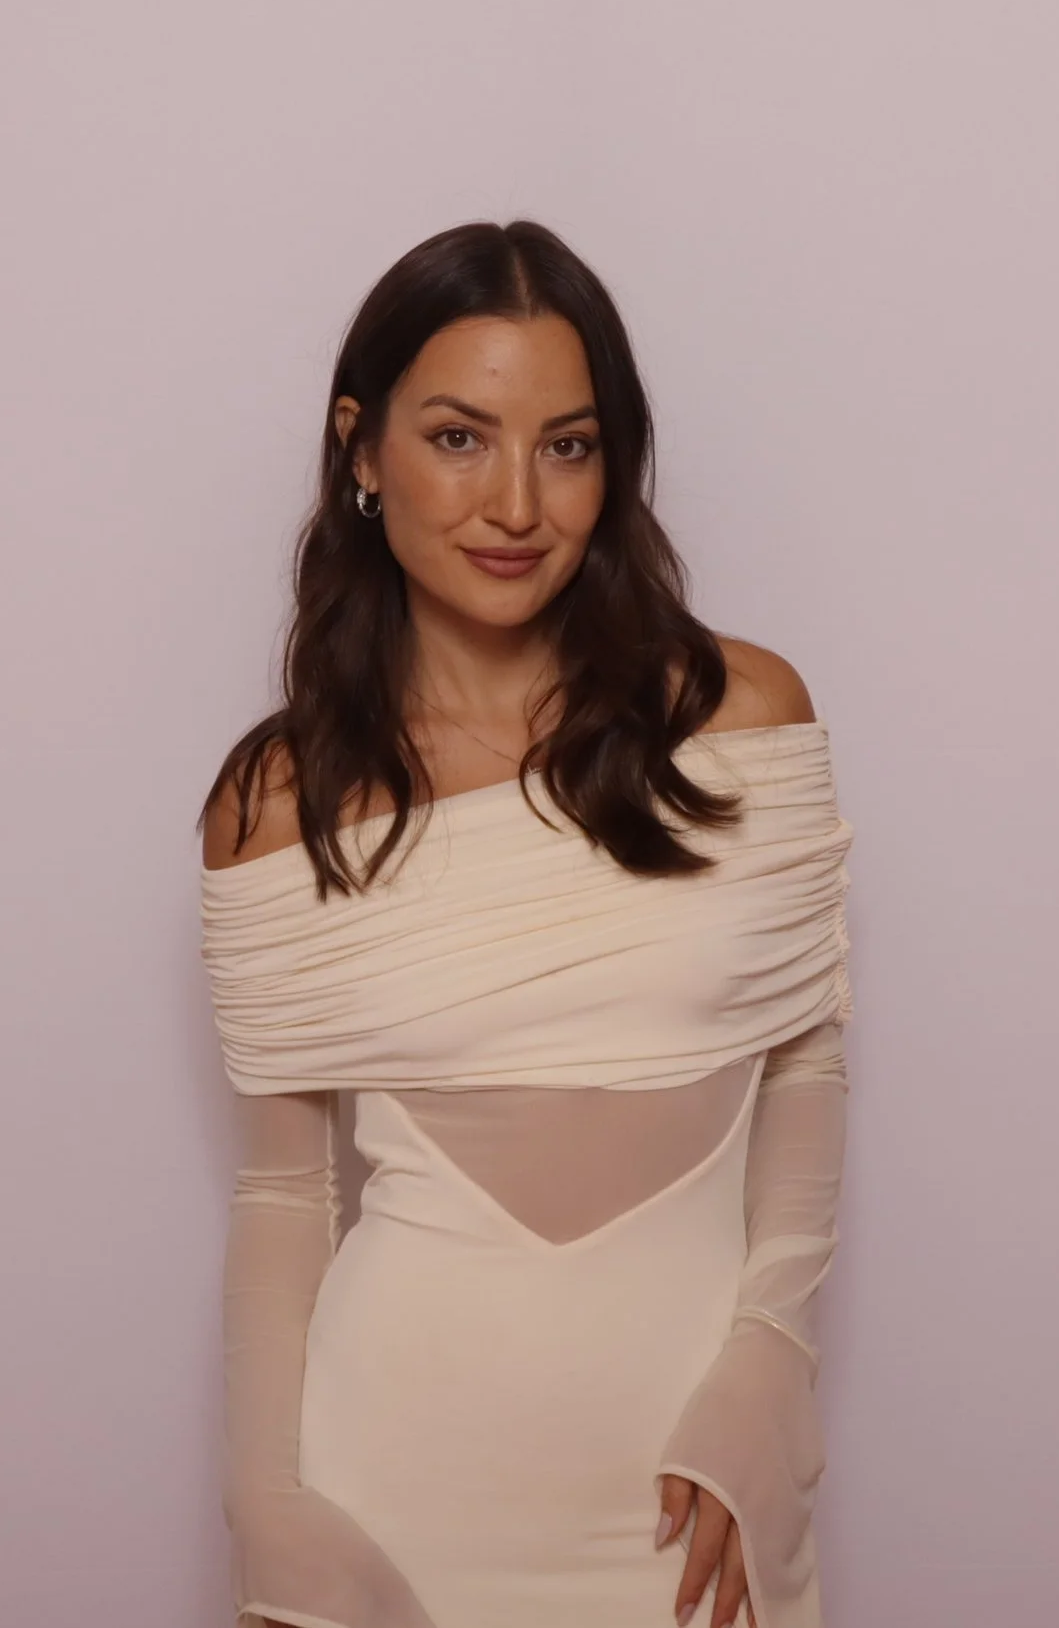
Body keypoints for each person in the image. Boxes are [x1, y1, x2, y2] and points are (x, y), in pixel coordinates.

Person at [196, 220, 855, 1628]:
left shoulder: (742, 719)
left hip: (698, 1483)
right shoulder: (282, 799)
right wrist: (271, 1509)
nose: (516, 501)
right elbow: (280, 1195)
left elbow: (805, 1059)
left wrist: (769, 1355)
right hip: (395, 1482)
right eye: (459, 436)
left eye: (567, 444)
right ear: (361, 450)